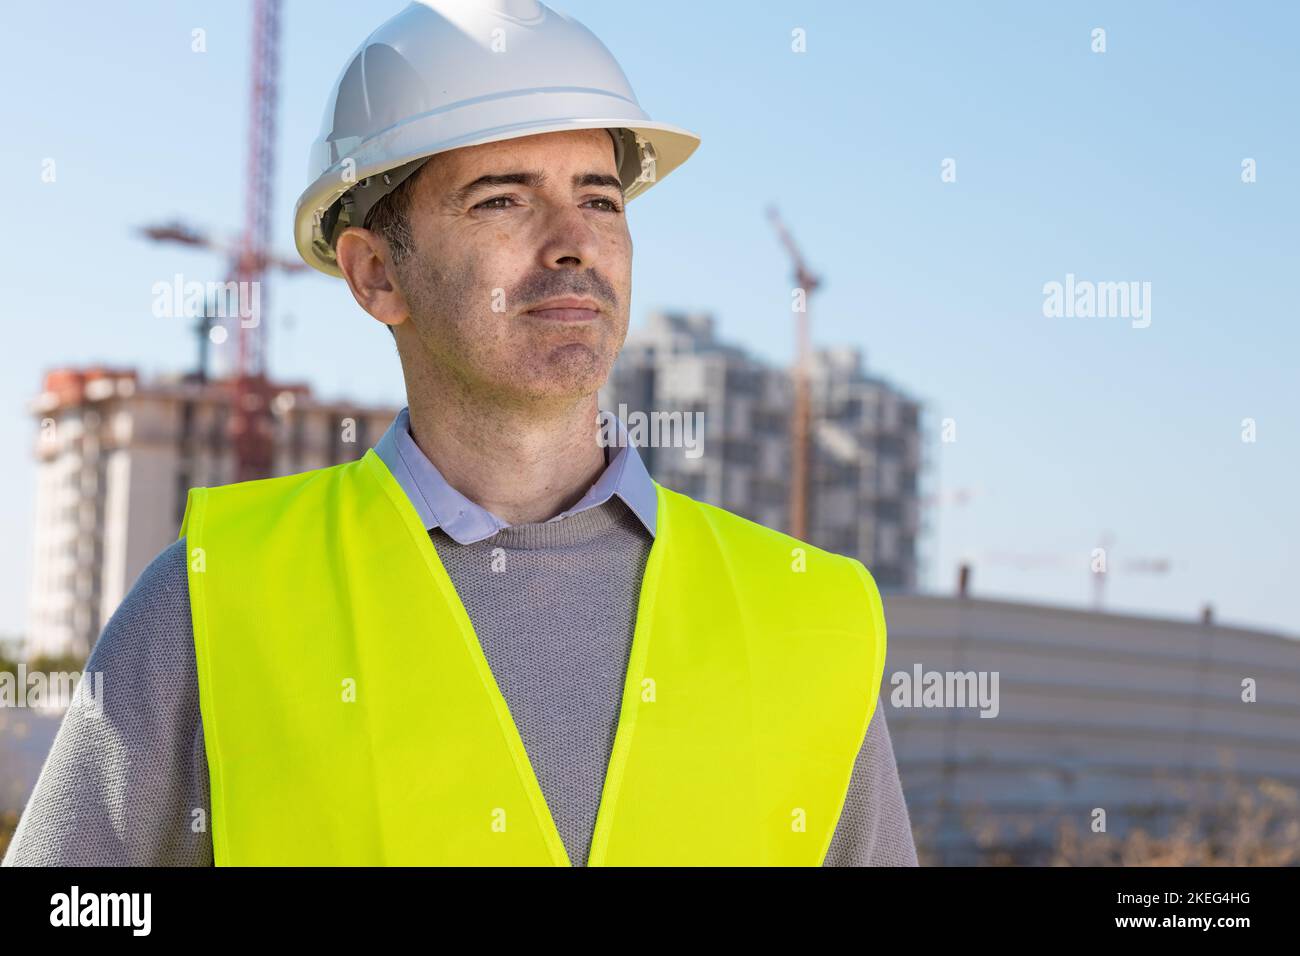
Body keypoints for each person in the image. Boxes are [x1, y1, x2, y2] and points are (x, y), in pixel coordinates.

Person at [3, 0, 916, 867]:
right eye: (502, 200)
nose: (573, 242)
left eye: (601, 200)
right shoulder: (213, 600)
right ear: (373, 276)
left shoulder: (808, 618)